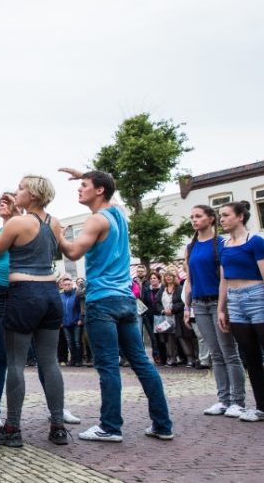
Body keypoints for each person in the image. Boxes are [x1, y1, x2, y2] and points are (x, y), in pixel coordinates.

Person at [55, 169, 172, 442]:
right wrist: (87, 174)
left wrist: (59, 233)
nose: (79, 189)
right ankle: (163, 424)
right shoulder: (118, 213)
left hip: (102, 301)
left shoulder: (96, 220)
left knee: (107, 366)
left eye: (84, 185)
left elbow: (73, 252)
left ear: (99, 191)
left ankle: (109, 427)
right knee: (141, 361)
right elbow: (112, 192)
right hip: (125, 300)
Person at [0, 175, 68, 448]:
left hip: (24, 294)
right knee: (50, 362)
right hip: (50, 294)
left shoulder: (17, 223)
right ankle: (58, 426)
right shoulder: (54, 223)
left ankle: (12, 427)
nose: (16, 191)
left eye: (21, 188)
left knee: (15, 363)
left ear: (31, 195)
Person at [216, 201, 264, 426]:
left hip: (258, 299)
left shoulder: (257, 242)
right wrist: (221, 308)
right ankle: (262, 408)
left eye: (225, 215)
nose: (222, 219)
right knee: (251, 358)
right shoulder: (224, 245)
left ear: (240, 217)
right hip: (235, 302)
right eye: (220, 216)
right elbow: (224, 280)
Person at [182, 204, 245, 417]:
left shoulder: (221, 243)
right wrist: (187, 307)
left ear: (210, 219)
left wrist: (222, 308)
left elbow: (224, 279)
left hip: (218, 301)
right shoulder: (190, 247)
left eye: (198, 216)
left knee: (229, 352)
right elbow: (189, 280)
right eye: (192, 217)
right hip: (199, 304)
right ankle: (223, 400)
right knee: (215, 354)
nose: (194, 220)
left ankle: (238, 401)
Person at [0, 192, 22, 429]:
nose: (1, 203)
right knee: (1, 356)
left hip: (24, 294)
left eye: (7, 200)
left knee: (38, 355)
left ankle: (56, 409)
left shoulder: (27, 227)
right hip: (0, 294)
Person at [157, 268, 197, 366]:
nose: (168, 278)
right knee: (169, 339)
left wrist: (172, 309)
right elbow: (157, 302)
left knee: (183, 338)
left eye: (170, 276)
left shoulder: (179, 288)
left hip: (178, 316)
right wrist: (163, 310)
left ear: (174, 277)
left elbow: (183, 302)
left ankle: (190, 358)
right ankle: (172, 358)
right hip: (166, 318)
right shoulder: (162, 289)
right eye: (166, 276)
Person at [60, 274, 84, 367]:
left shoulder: (76, 295)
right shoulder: (61, 296)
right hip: (65, 323)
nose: (67, 286)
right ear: (63, 286)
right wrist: (60, 321)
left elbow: (80, 308)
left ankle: (79, 360)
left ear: (72, 285)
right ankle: (73, 360)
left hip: (76, 322)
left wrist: (80, 319)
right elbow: (59, 310)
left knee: (77, 342)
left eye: (69, 284)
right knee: (70, 342)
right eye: (65, 285)